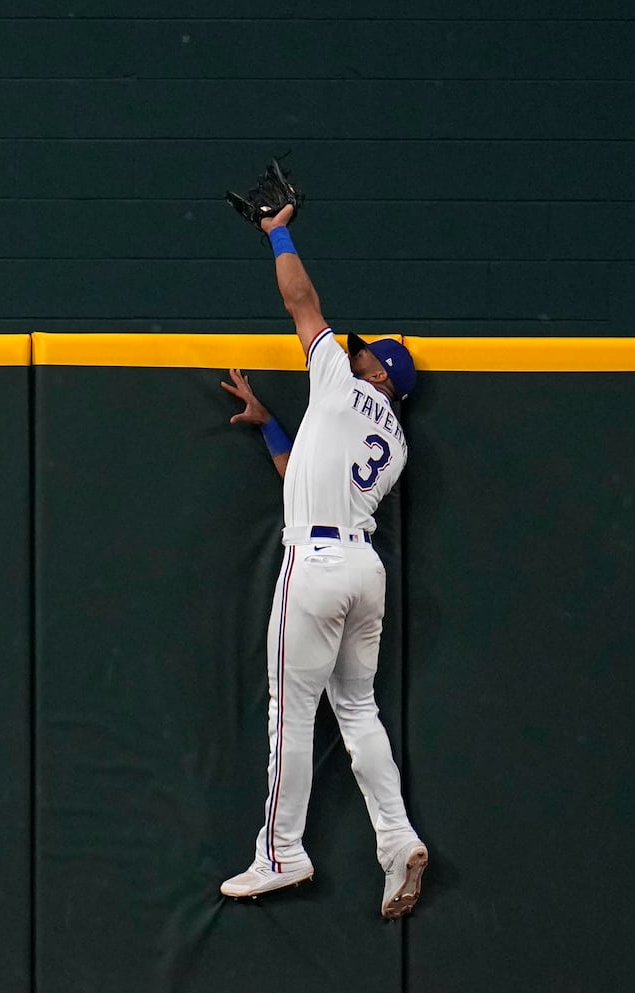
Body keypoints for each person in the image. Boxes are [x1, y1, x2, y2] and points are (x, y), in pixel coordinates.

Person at [218, 202, 429, 919]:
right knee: (358, 708)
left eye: (367, 350)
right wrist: (269, 421)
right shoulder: (396, 441)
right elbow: (306, 475)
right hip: (364, 571)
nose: (356, 347)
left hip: (315, 564)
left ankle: (281, 851)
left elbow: (300, 300)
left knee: (291, 712)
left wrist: (278, 230)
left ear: (379, 369)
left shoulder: (340, 379)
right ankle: (397, 839)